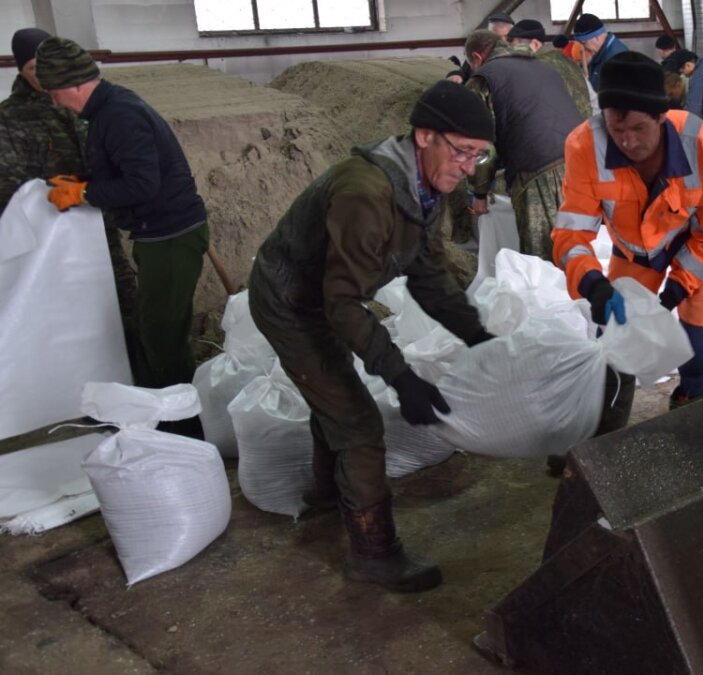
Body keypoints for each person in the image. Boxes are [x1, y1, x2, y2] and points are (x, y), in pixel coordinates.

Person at [248, 81, 496, 593]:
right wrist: (402, 377)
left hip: (326, 296)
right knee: (359, 424)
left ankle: (324, 494)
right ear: (425, 135)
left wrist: (480, 336)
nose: (469, 167)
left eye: (479, 155)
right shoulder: (366, 193)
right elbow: (341, 303)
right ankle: (374, 553)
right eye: (463, 151)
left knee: (336, 397)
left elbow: (427, 272)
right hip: (292, 303)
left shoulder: (423, 189)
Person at [36, 37, 208, 436]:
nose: (57, 102)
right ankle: (153, 419)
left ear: (76, 84)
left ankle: (187, 433)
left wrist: (83, 193)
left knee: (163, 337)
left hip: (171, 236)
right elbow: (124, 172)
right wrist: (86, 181)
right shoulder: (106, 113)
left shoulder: (120, 115)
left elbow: (142, 184)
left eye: (56, 93)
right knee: (150, 330)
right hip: (157, 235)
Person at [553, 52, 703, 413]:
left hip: (697, 247)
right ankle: (603, 423)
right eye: (616, 129)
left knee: (698, 342)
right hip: (634, 251)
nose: (627, 141)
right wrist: (592, 283)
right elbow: (570, 236)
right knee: (614, 338)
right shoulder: (584, 146)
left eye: (638, 129)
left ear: (661, 116)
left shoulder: (698, 141)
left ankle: (694, 411)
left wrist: (680, 285)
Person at [0, 29, 138, 339]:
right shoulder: (9, 119)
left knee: (123, 302)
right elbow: (8, 187)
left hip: (99, 220)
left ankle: (142, 379)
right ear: (21, 70)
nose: (46, 75)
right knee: (69, 313)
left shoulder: (86, 102)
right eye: (35, 68)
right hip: (52, 234)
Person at [464, 30, 582, 260]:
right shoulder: (545, 68)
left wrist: (479, 192)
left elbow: (481, 145)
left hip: (538, 171)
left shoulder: (483, 79)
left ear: (477, 58)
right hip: (579, 163)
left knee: (542, 258)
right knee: (577, 245)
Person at [506, 19, 591, 120]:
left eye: (517, 47)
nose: (512, 52)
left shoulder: (537, 66)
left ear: (536, 44)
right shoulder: (565, 61)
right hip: (582, 127)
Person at [574, 13, 628, 90]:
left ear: (597, 38)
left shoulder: (616, 59)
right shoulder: (599, 55)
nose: (582, 48)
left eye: (584, 43)